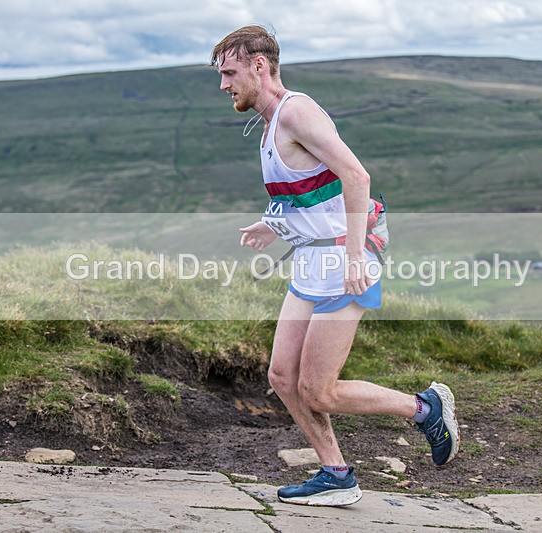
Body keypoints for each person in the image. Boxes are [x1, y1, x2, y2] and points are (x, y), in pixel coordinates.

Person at [211, 25, 459, 507]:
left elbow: (355, 174)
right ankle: (336, 473)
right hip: (310, 260)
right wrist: (273, 224)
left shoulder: (296, 110)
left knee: (319, 390)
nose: (224, 85)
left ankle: (425, 408)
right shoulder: (269, 125)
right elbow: (312, 191)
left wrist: (353, 258)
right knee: (283, 378)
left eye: (229, 72)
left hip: (344, 259)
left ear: (259, 66)